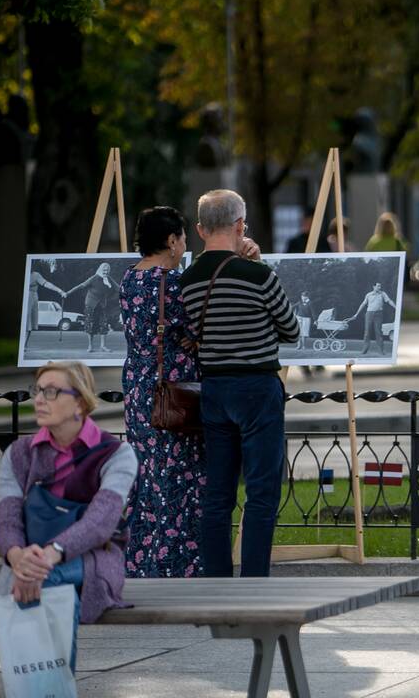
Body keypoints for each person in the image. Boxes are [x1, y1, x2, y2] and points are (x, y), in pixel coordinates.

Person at [0, 362, 138, 673]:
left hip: (94, 559)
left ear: (80, 402)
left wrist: (50, 556)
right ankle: (50, 688)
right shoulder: (19, 453)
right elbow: (7, 521)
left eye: (52, 391)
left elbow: (100, 522)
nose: (39, 399)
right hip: (29, 561)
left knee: (46, 579)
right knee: (46, 581)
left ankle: (44, 688)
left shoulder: (115, 454)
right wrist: (17, 557)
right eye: (38, 390)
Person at [180, 189, 299, 578]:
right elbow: (291, 330)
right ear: (240, 225)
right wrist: (258, 263)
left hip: (214, 390)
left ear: (199, 229)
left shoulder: (189, 280)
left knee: (218, 495)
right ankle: (253, 581)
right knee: (261, 493)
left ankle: (217, 581)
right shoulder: (259, 275)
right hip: (257, 389)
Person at [120, 206, 205, 578]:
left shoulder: (129, 279)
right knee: (179, 478)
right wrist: (191, 340)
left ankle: (140, 561)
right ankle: (176, 565)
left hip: (138, 387)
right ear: (171, 240)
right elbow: (199, 326)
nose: (185, 244)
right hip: (172, 393)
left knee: (147, 477)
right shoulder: (172, 282)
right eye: (183, 237)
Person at [67, 262, 120, 353]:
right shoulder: (94, 278)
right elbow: (81, 286)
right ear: (100, 269)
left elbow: (119, 288)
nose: (105, 272)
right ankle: (90, 346)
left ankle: (103, 346)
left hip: (102, 305)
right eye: (104, 270)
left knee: (104, 324)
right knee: (90, 325)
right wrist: (67, 293)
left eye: (107, 270)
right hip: (91, 304)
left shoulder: (109, 279)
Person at [348, 282, 397, 355]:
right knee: (367, 332)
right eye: (378, 286)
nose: (379, 287)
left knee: (379, 332)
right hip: (369, 314)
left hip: (378, 314)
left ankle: (381, 350)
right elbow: (363, 304)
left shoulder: (382, 294)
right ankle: (364, 350)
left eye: (380, 286)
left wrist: (396, 307)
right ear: (373, 287)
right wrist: (356, 314)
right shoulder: (368, 295)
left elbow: (389, 301)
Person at [26, 270, 67, 342]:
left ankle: (24, 344)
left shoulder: (35, 275)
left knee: (28, 322)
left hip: (31, 297)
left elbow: (46, 284)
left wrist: (59, 290)